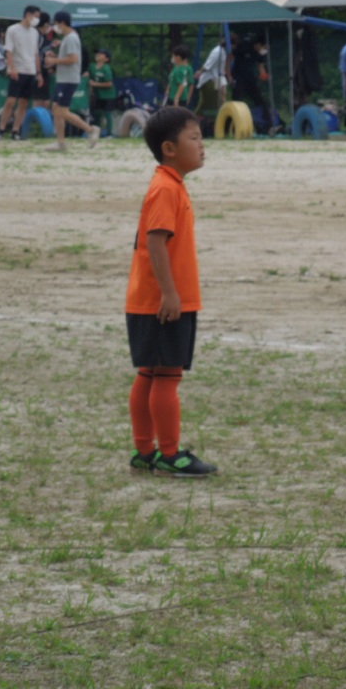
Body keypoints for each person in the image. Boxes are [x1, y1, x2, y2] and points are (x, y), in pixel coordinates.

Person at [125, 106, 218, 478]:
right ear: (169, 148)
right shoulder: (165, 188)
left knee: (150, 373)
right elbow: (155, 241)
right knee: (166, 376)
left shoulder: (169, 184)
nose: (202, 145)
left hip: (149, 300)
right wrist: (169, 294)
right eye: (193, 138)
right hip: (162, 302)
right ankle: (168, 453)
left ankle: (144, 451)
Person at [46, 10, 99, 151]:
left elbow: (73, 59)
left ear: (62, 23)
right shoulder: (67, 38)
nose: (55, 27)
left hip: (68, 80)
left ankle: (90, 130)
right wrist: (55, 57)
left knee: (62, 111)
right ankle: (61, 143)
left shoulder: (71, 38)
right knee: (55, 109)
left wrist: (54, 61)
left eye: (56, 24)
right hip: (63, 79)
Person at [0, 5, 42, 141]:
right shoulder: (13, 29)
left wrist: (39, 73)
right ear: (28, 15)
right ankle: (1, 129)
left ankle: (16, 130)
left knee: (24, 102)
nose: (37, 20)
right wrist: (12, 68)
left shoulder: (35, 32)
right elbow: (8, 51)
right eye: (36, 16)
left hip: (30, 70)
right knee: (10, 101)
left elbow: (36, 53)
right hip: (18, 69)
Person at [195, 36, 229, 117]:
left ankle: (224, 115)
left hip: (218, 77)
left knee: (223, 96)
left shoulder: (224, 52)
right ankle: (197, 115)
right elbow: (208, 65)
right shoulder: (217, 51)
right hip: (210, 78)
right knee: (216, 99)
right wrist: (200, 72)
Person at [88, 49, 116, 137]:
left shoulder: (106, 68)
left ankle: (109, 134)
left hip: (108, 95)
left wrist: (95, 84)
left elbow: (109, 84)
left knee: (107, 113)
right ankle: (97, 133)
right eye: (98, 53)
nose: (98, 55)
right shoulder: (92, 66)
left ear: (106, 59)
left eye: (101, 54)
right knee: (97, 113)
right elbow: (89, 77)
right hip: (98, 95)